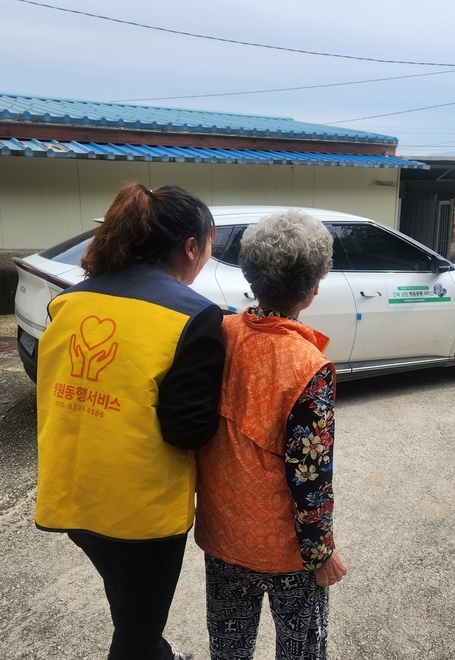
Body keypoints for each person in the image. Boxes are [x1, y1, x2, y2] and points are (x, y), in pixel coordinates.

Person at [35, 183, 225, 660]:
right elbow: (188, 430)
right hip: (139, 512)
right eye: (209, 246)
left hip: (71, 491)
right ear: (190, 247)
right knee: (137, 632)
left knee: (130, 607)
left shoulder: (70, 301)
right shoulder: (193, 315)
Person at [195, 209, 347, 660]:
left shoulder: (219, 335)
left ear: (250, 273)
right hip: (286, 553)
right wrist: (321, 554)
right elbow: (310, 477)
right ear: (314, 285)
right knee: (301, 650)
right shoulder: (308, 367)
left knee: (229, 648)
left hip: (223, 536)